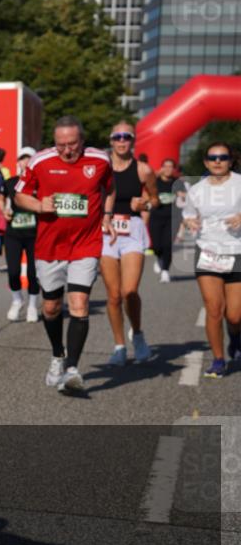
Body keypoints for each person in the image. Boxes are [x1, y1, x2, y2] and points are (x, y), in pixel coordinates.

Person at [15, 116, 116, 393]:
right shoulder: (40, 161)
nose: (67, 150)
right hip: (50, 246)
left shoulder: (100, 160)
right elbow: (20, 195)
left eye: (72, 144)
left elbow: (110, 188)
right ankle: (58, 355)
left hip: (86, 244)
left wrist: (107, 215)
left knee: (79, 304)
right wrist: (39, 205)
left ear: (82, 141)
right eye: (61, 145)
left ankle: (72, 369)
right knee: (51, 307)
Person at [100, 122, 158, 366]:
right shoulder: (100, 167)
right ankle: (119, 346)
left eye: (127, 137)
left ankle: (138, 334)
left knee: (129, 291)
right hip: (106, 230)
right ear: (111, 140)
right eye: (117, 137)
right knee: (113, 296)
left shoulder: (143, 170)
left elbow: (155, 199)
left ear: (133, 140)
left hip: (132, 229)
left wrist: (145, 204)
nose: (122, 141)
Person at [182, 142, 241, 379]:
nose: (218, 161)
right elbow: (188, 214)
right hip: (207, 251)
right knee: (214, 309)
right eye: (213, 157)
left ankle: (235, 337)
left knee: (235, 315)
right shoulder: (197, 190)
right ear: (206, 162)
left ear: (230, 161)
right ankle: (218, 360)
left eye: (223, 157)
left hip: (237, 251)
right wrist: (190, 221)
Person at [0, 147, 40, 322]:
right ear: (18, 162)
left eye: (29, 158)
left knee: (33, 273)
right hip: (13, 233)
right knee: (13, 272)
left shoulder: (41, 182)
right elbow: (1, 199)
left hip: (35, 234)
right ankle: (17, 300)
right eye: (23, 158)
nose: (26, 162)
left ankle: (32, 305)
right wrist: (4, 211)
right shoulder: (10, 182)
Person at [149, 157, 179, 283]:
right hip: (156, 217)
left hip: (172, 218)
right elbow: (146, 185)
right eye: (165, 166)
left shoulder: (177, 183)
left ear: (174, 169)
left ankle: (165, 271)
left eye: (170, 166)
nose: (168, 169)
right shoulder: (155, 182)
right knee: (156, 246)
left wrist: (182, 196)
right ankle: (159, 258)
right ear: (161, 168)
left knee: (167, 245)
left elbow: (186, 199)